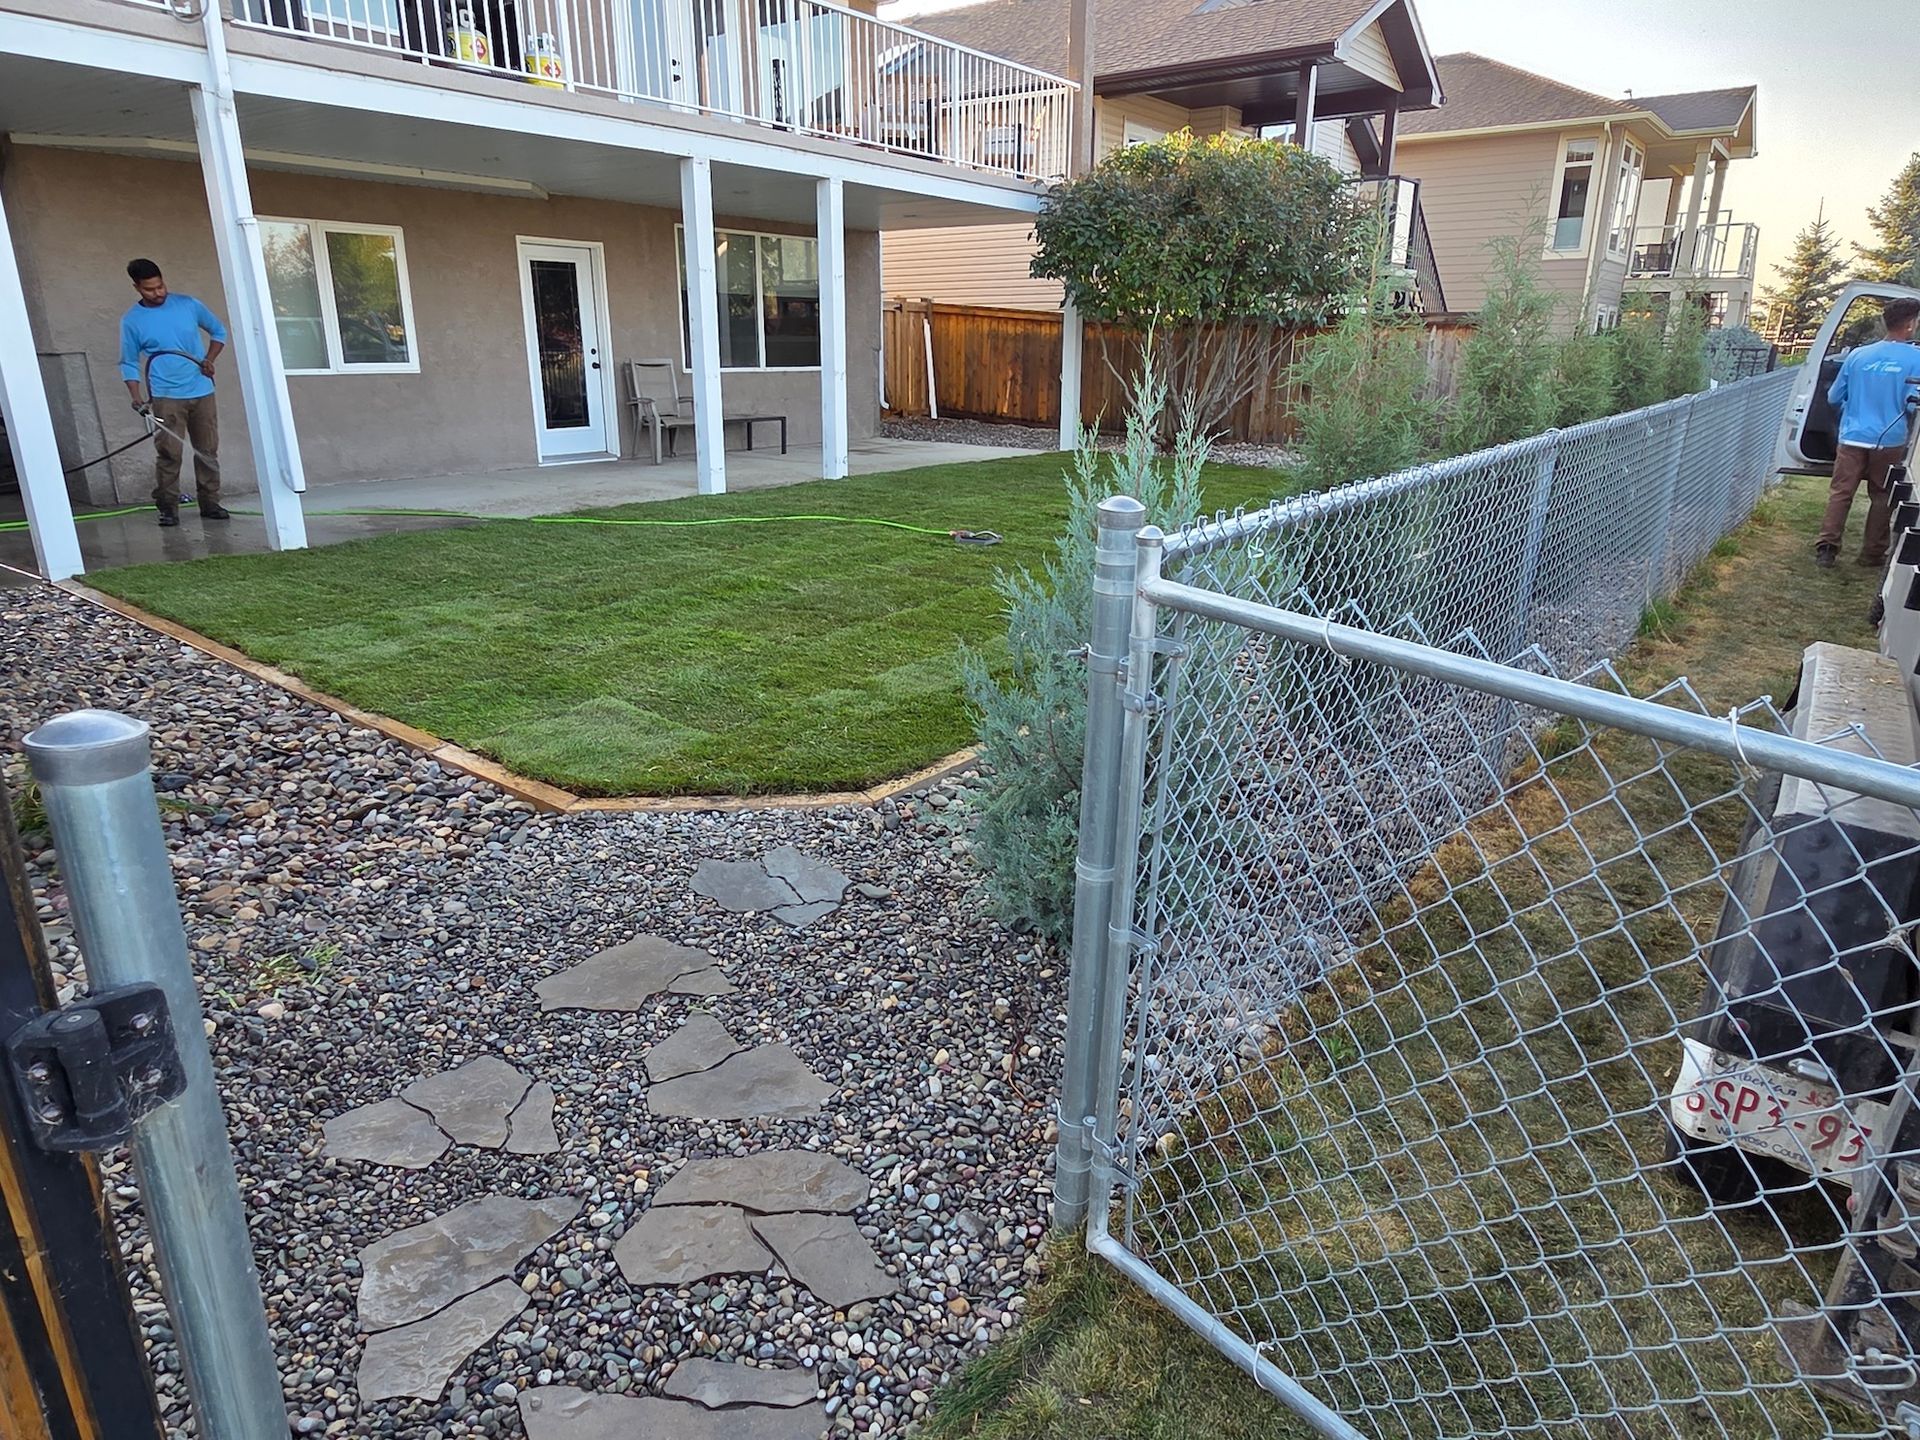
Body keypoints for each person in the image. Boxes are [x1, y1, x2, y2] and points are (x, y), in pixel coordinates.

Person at [118, 258, 231, 528]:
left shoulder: (188, 305)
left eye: (160, 286)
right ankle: (168, 508)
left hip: (201, 390)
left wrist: (209, 359)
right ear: (136, 288)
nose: (158, 293)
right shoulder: (132, 321)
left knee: (207, 450)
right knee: (170, 453)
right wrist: (136, 395)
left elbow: (219, 331)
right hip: (165, 396)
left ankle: (210, 503)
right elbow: (129, 361)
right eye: (149, 290)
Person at [1816, 295, 1920, 569]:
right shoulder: (1916, 359)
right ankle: (1872, 554)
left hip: (1852, 436)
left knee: (1841, 492)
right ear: (1909, 325)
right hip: (1890, 440)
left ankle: (1827, 549)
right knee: (1882, 495)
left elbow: (1834, 396)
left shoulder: (1859, 356)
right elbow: (1913, 404)